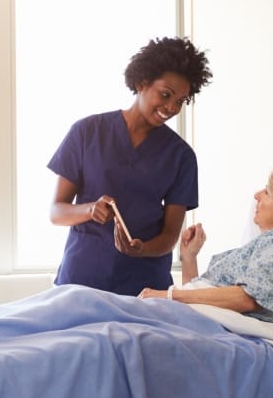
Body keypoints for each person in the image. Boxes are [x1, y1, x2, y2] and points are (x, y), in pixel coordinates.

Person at [47, 36, 213, 296]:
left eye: (180, 101)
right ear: (141, 82)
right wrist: (91, 209)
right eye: (166, 94)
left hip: (144, 288)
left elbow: (170, 236)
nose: (171, 107)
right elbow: (57, 212)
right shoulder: (87, 132)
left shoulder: (181, 156)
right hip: (82, 280)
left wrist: (142, 249)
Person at [139, 165, 273, 328]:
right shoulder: (268, 245)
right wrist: (189, 257)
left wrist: (168, 295)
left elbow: (248, 299)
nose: (257, 195)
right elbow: (204, 297)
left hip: (215, 330)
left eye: (268, 191)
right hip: (198, 320)